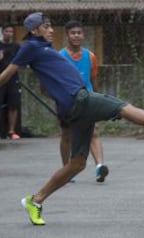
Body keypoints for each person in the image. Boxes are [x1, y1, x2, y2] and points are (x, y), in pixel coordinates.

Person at [0, 12, 144, 225]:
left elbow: (47, 80)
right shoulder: (31, 47)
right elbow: (4, 76)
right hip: (79, 100)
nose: (51, 30)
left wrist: (53, 88)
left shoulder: (44, 48)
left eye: (50, 26)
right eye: (46, 26)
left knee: (77, 163)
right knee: (123, 107)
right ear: (35, 30)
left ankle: (35, 201)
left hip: (75, 105)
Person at [59, 20, 108, 183]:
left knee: (94, 132)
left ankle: (100, 166)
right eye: (73, 33)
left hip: (88, 99)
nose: (76, 35)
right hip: (68, 101)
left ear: (83, 35)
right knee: (67, 134)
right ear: (67, 36)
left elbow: (93, 80)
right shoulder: (60, 57)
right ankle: (66, 170)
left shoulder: (90, 56)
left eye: (79, 33)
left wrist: (96, 97)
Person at [0, 23, 21, 140]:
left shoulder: (17, 46)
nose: (9, 34)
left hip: (13, 78)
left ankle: (12, 131)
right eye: (7, 31)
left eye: (11, 31)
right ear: (2, 32)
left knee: (13, 105)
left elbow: (21, 62)